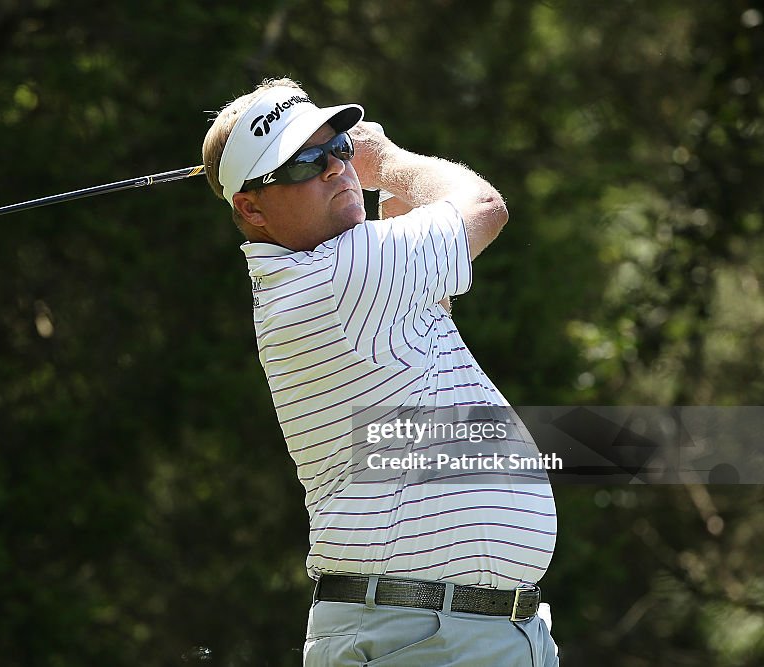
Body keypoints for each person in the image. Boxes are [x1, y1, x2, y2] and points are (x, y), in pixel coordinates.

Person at [202, 77, 559, 666]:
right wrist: (386, 161)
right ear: (251, 207)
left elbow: (429, 292)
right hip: (420, 637)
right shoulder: (342, 277)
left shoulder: (342, 279)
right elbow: (483, 208)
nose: (334, 168)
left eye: (338, 146)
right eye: (302, 164)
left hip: (462, 633)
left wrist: (380, 179)